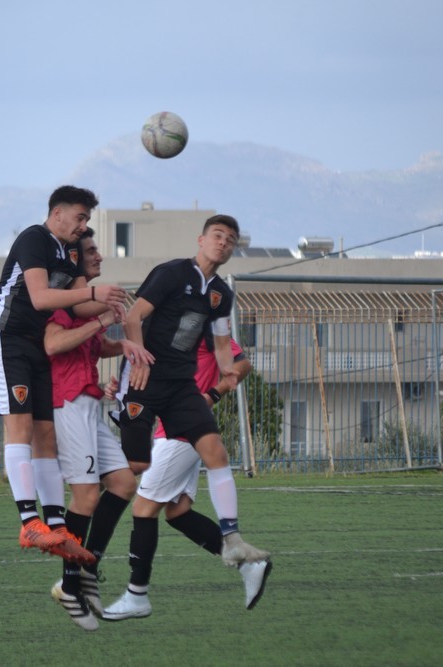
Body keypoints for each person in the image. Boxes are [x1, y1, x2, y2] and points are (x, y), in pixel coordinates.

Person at [103, 214, 271, 620]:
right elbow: (133, 319)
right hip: (153, 390)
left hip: (180, 399)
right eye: (218, 235)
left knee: (154, 499)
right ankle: (246, 564)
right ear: (201, 239)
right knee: (173, 509)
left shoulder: (220, 297)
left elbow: (225, 349)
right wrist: (134, 365)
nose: (223, 243)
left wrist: (226, 374)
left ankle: (141, 592)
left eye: (231, 239)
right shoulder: (172, 274)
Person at [0, 186, 128, 564]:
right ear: (57, 213)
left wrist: (110, 307)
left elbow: (77, 308)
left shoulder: (71, 250)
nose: (83, 225)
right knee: (21, 427)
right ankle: (29, 523)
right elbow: (41, 297)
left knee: (46, 436)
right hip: (6, 341)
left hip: (35, 349)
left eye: (87, 219)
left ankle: (57, 527)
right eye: (79, 217)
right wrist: (94, 293)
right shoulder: (34, 239)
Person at [115, 337, 272, 616]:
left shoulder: (199, 323)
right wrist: (122, 391)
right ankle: (249, 566)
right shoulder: (164, 328)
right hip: (173, 429)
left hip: (181, 433)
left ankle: (136, 594)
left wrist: (212, 394)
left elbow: (242, 364)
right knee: (178, 512)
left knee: (143, 508)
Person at [44, 228, 148, 631]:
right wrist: (104, 319)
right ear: (73, 258)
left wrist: (121, 345)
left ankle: (87, 569)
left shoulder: (85, 303)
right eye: (90, 251)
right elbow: (54, 344)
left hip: (88, 403)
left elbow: (91, 345)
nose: (99, 256)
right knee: (86, 495)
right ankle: (70, 585)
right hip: (67, 402)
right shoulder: (63, 299)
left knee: (123, 483)